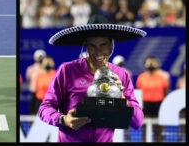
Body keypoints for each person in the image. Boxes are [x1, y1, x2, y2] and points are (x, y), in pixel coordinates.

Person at [38, 14, 145, 142]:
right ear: (86, 46)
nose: (98, 52)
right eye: (92, 46)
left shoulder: (122, 75)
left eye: (103, 45)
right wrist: (63, 119)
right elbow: (45, 108)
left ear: (112, 46)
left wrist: (122, 98)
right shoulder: (67, 70)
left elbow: (137, 121)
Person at [136, 56, 170, 142]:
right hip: (145, 105)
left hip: (158, 105)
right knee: (145, 128)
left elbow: (166, 92)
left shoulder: (163, 77)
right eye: (149, 62)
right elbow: (139, 92)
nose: (151, 64)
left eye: (153, 62)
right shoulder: (141, 77)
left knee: (158, 129)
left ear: (157, 64)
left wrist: (165, 107)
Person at [25, 49, 46, 115]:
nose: (40, 58)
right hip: (33, 94)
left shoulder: (47, 69)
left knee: (43, 112)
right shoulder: (30, 69)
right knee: (33, 111)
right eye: (38, 56)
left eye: (41, 56)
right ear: (35, 57)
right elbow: (28, 80)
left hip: (43, 95)